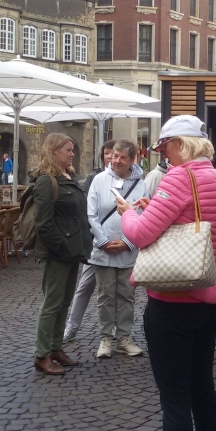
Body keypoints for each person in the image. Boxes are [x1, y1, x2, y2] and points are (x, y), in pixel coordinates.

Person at [118, 115, 216, 431]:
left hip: (173, 301)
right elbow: (193, 220)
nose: (164, 155)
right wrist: (153, 209)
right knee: (202, 387)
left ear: (181, 144)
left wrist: (128, 214)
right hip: (209, 297)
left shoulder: (179, 177)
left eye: (165, 147)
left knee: (175, 398)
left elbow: (140, 234)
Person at [31, 133, 92, 375]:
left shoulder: (69, 177)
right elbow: (43, 224)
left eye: (72, 149)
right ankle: (42, 354)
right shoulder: (46, 181)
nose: (72, 153)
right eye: (68, 149)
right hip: (58, 253)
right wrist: (64, 247)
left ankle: (56, 348)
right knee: (52, 304)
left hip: (72, 251)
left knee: (64, 302)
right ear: (54, 151)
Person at [86, 140, 148, 359]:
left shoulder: (141, 184)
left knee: (127, 296)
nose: (117, 161)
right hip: (103, 250)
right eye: (115, 156)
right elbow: (92, 214)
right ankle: (105, 338)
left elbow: (143, 215)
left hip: (128, 250)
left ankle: (123, 338)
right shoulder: (99, 180)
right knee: (105, 296)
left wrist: (128, 242)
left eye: (123, 157)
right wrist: (103, 241)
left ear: (132, 160)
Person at [63, 141, 116, 344]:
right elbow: (86, 210)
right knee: (85, 286)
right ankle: (72, 326)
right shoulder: (95, 178)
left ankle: (116, 329)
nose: (110, 157)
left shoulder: (130, 179)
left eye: (113, 153)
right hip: (96, 242)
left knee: (116, 289)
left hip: (119, 243)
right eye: (107, 153)